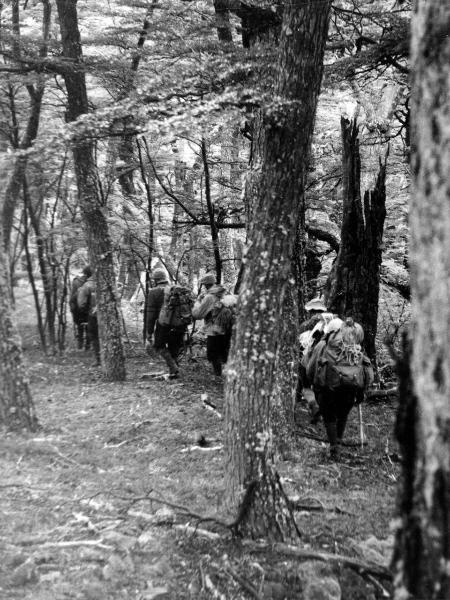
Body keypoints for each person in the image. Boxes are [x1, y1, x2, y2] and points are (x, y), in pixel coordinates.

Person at [306, 317, 373, 460]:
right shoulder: (356, 348)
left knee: (329, 416)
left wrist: (314, 385)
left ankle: (334, 448)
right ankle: (338, 445)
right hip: (351, 388)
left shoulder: (323, 345)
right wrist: (362, 391)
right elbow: (367, 372)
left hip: (326, 389)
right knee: (342, 415)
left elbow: (310, 368)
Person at [146, 268, 192, 378]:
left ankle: (174, 368)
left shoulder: (154, 292)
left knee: (159, 346)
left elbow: (151, 315)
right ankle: (174, 373)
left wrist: (149, 332)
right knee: (174, 347)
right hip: (180, 324)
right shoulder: (177, 289)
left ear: (156, 280)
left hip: (164, 324)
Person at [192, 273, 236, 377]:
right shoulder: (225, 293)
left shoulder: (209, 297)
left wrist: (197, 302)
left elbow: (198, 314)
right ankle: (228, 376)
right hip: (228, 328)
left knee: (213, 354)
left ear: (205, 285)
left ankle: (218, 376)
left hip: (214, 330)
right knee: (225, 352)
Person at [77, 270, 100, 366]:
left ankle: (98, 359)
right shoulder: (106, 282)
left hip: (93, 315)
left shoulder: (87, 286)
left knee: (94, 336)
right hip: (104, 315)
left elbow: (81, 303)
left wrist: (87, 311)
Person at [69, 265, 92, 350]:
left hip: (77, 308)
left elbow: (72, 297)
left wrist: (72, 308)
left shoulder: (76, 281)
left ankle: (80, 345)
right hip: (88, 308)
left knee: (80, 327)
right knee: (88, 327)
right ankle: (87, 346)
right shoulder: (91, 282)